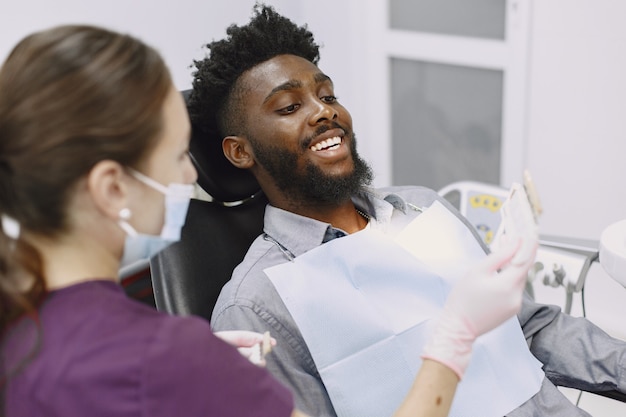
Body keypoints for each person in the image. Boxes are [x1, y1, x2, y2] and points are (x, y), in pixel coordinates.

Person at [0, 23, 532, 417]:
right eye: (174, 155)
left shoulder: (19, 330)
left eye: (327, 95)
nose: (189, 175)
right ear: (111, 187)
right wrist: (455, 337)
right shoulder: (209, 332)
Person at [189, 4, 626, 417]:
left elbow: (531, 329)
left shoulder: (424, 207)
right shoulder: (255, 306)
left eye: (328, 94)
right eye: (289, 106)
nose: (324, 112)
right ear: (240, 152)